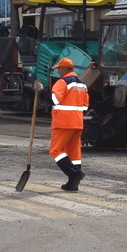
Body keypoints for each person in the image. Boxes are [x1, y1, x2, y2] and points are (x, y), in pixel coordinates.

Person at [45, 56, 88, 191]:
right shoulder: (82, 84)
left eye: (59, 69)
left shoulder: (62, 82)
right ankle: (72, 184)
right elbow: (85, 106)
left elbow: (54, 100)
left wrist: (40, 91)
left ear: (64, 69)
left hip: (63, 122)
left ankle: (74, 174)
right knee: (74, 153)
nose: (58, 72)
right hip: (78, 122)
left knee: (55, 150)